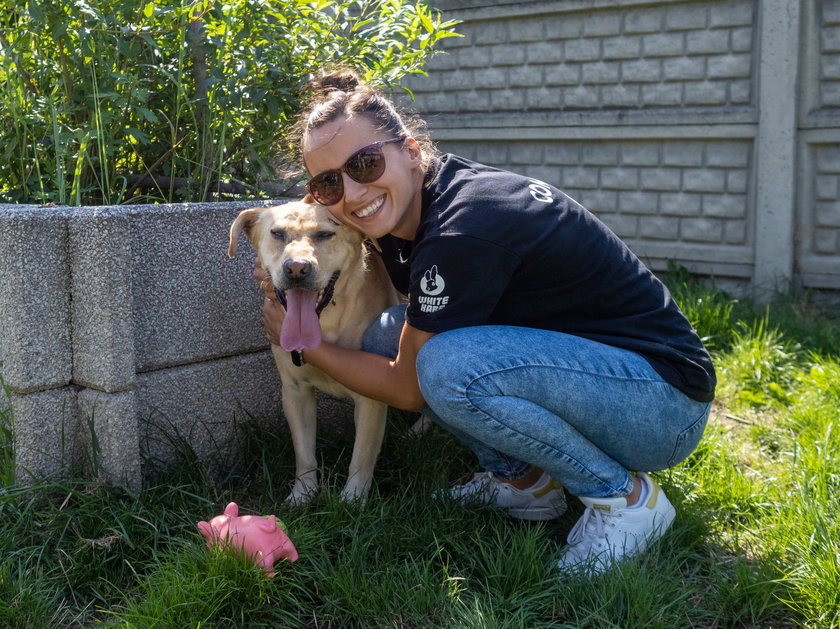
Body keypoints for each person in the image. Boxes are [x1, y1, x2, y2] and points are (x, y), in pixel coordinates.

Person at [253, 69, 715, 575]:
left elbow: (407, 391)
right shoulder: (407, 207)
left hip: (661, 406)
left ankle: (624, 501)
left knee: (445, 365)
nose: (352, 191)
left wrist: (306, 344)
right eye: (327, 182)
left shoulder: (464, 228)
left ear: (409, 150)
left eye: (365, 163)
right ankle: (525, 483)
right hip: (602, 380)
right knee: (390, 332)